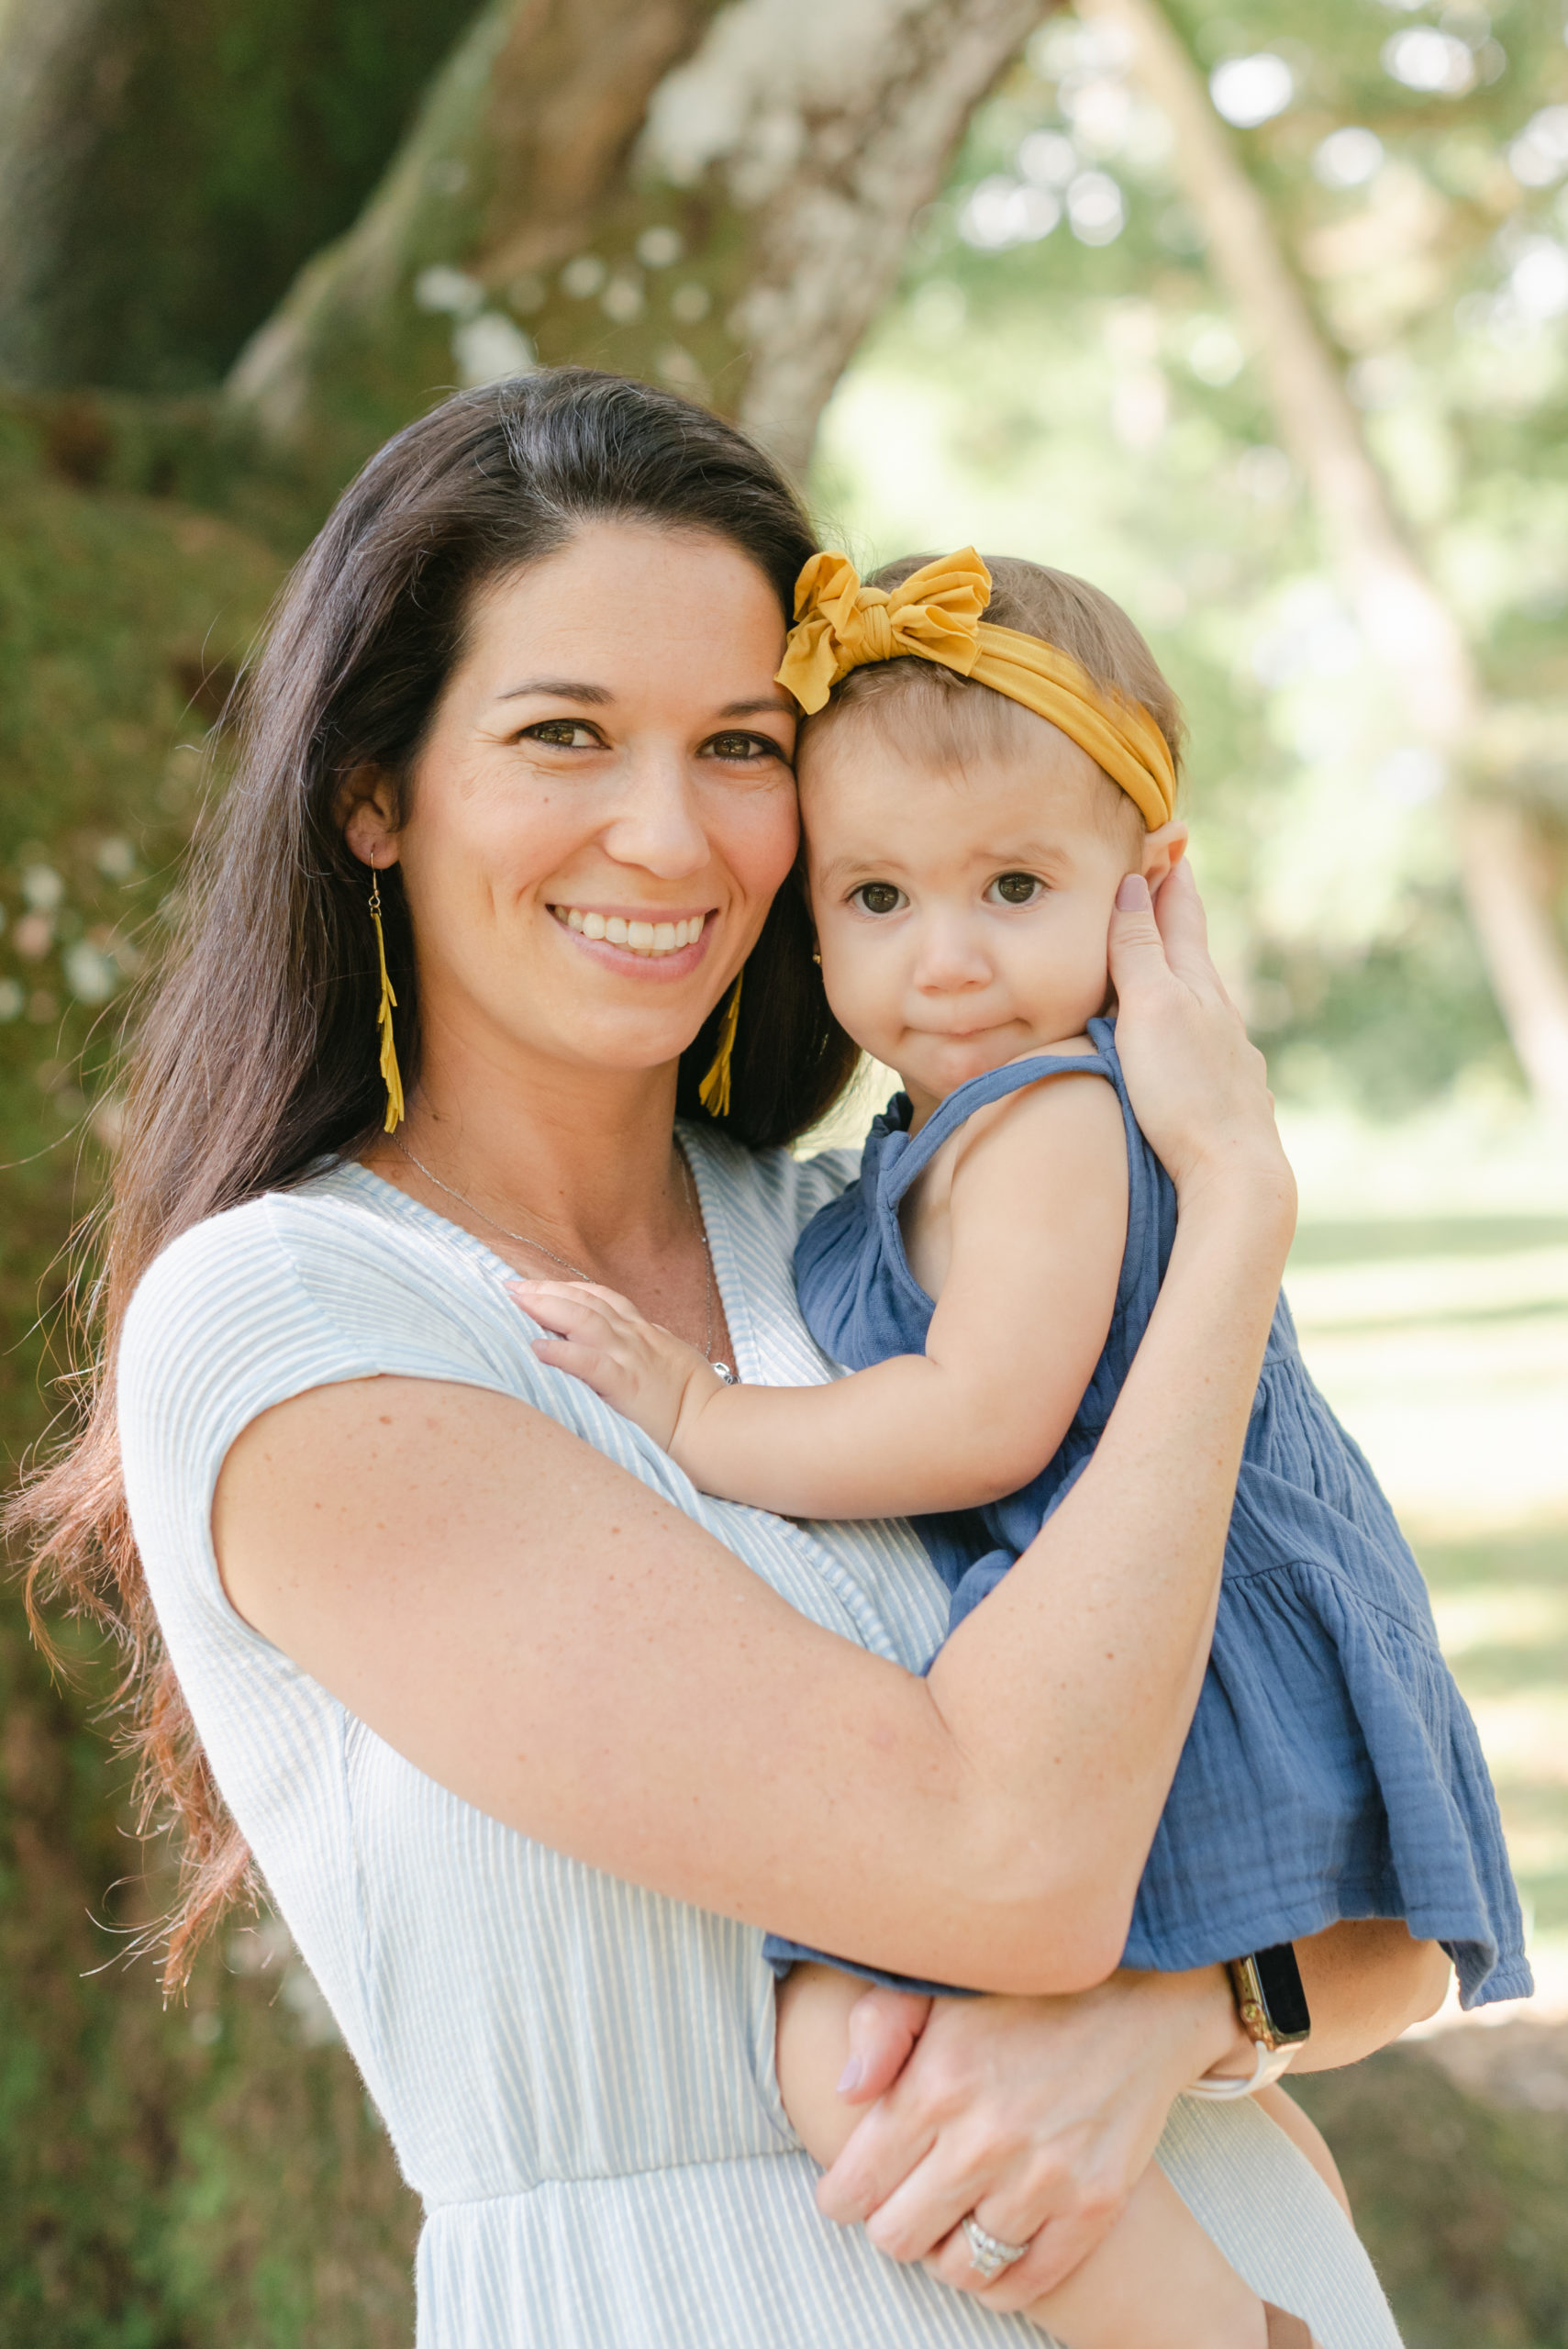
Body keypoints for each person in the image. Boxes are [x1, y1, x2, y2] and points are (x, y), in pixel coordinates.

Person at [15, 373, 1450, 2349]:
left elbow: (1397, 1865)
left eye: (742, 745)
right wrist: (1236, 1231)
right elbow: (1007, 1860)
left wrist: (1175, 2016)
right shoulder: (295, 1322)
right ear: (374, 789)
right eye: (564, 735)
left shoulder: (901, 1233)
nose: (668, 828)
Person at [517, 546, 1529, 2348]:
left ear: (1147, 897)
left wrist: (699, 1415)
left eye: (1013, 885)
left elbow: (980, 1415)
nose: (951, 957)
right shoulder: (965, 1128)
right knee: (911, 2036)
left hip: (1184, 1635)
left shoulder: (1051, 1123)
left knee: (850, 2042)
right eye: (882, 895)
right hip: (1145, 1605)